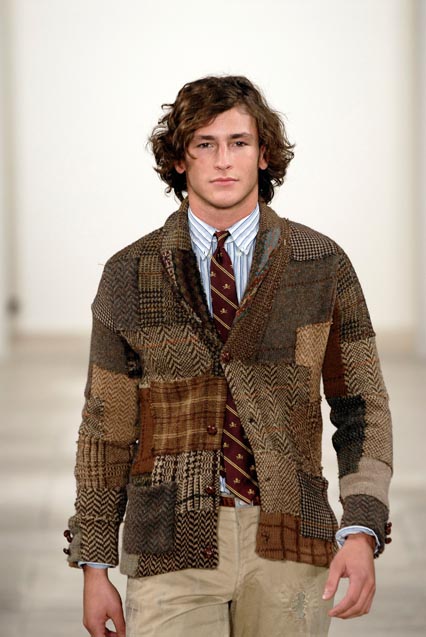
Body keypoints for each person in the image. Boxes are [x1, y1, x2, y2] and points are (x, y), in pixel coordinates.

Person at [64, 75, 393, 637]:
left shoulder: (320, 263)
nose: (223, 160)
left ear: (264, 154)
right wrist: (95, 566)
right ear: (179, 160)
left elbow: (361, 407)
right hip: (168, 541)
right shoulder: (130, 272)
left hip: (291, 535)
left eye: (239, 142)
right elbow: (106, 428)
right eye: (205, 144)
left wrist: (361, 528)